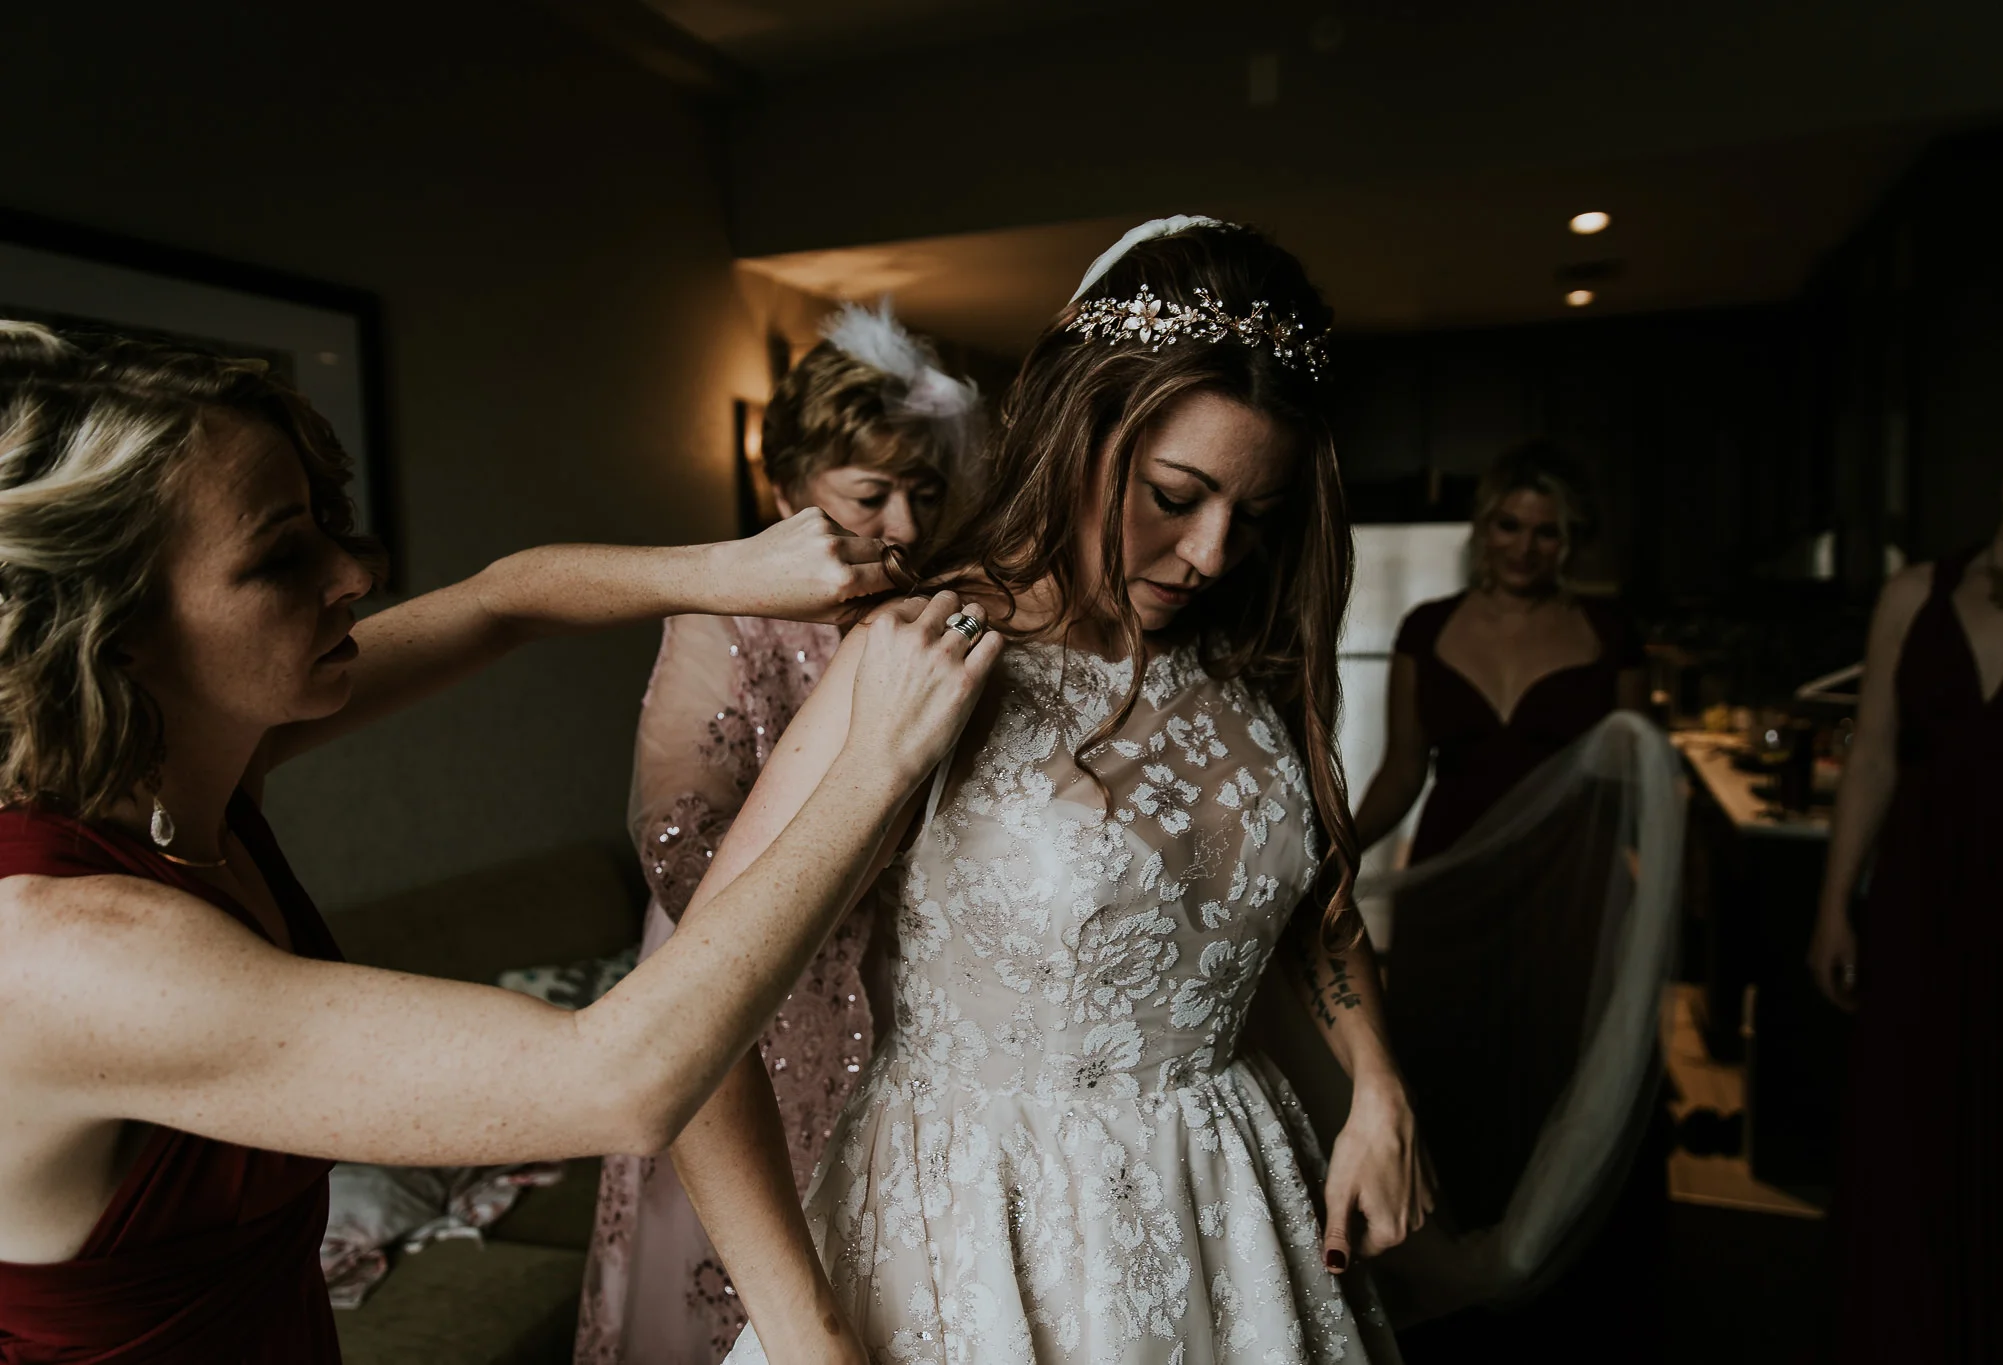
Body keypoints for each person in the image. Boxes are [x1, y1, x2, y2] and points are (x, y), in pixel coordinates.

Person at [0, 321, 1002, 1363]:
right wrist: (873, 760)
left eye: (329, 522)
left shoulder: (180, 762)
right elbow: (623, 1082)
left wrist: (729, 566)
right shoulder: (66, 948)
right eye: (279, 554)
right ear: (113, 623)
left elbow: (501, 603)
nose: (354, 571)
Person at [667, 217, 1430, 1365]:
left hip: (1234, 1217)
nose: (1214, 555)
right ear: (1078, 432)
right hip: (976, 1236)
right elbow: (689, 1030)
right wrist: (806, 1333)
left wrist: (1376, 1083)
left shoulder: (1235, 656)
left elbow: (1298, 901)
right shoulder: (929, 658)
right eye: (1174, 495)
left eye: (1255, 518)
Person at [577, 303, 979, 1365]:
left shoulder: (934, 618)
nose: (901, 523)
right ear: (787, 488)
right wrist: (857, 859)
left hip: (895, 990)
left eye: (923, 494)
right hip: (744, 974)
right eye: (869, 495)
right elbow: (675, 835)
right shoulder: (724, 618)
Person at [1347, 441, 1665, 1362]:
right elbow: (1403, 769)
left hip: (1572, 887)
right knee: (1446, 1062)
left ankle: (1572, 1287)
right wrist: (1335, 848)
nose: (1524, 547)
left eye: (1547, 531)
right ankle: (1451, 1289)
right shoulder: (1425, 626)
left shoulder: (1611, 633)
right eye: (1508, 525)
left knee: (1570, 1062)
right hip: (1454, 885)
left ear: (1572, 542)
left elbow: (1641, 774)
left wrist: (1648, 898)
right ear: (1484, 529)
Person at [1810, 398, 2003, 1364]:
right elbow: (1872, 755)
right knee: (1907, 1123)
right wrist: (1836, 903)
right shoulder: (1915, 592)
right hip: (1918, 892)